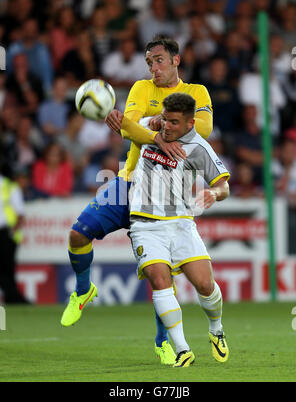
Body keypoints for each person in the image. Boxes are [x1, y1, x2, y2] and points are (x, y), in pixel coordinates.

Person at [60, 35, 213, 365]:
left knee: (163, 275)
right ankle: (83, 289)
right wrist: (158, 131)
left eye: (158, 60)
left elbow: (204, 127)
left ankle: (164, 343)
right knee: (77, 234)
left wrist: (152, 125)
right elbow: (127, 129)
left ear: (176, 60)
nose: (153, 67)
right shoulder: (142, 89)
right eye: (148, 62)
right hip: (129, 181)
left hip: (166, 194)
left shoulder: (197, 93)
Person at [127, 92, 230, 367]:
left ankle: (216, 330)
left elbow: (224, 185)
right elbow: (126, 125)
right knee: (160, 282)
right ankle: (183, 349)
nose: (167, 126)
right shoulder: (155, 125)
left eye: (174, 122)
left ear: (189, 123)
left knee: (205, 285)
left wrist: (213, 194)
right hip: (145, 224)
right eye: (165, 119)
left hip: (181, 223)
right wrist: (146, 127)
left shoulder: (199, 147)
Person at [0, 172, 28, 303]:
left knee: (7, 268)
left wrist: (11, 234)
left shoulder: (10, 187)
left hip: (6, 233)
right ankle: (14, 298)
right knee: (6, 270)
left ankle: (14, 298)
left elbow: (20, 214)